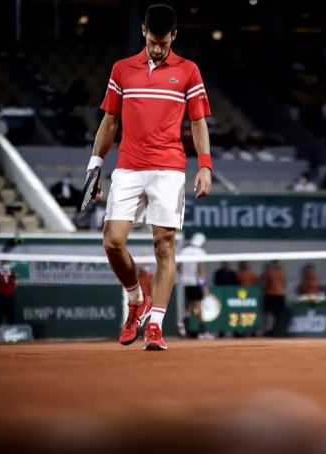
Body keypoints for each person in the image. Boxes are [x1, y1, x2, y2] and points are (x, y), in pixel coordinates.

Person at [86, 4, 212, 351]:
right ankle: (135, 299)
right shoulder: (122, 70)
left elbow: (198, 121)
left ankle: (154, 324)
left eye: (164, 41)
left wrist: (204, 164)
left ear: (174, 35)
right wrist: (95, 165)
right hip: (128, 166)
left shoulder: (188, 71)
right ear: (143, 31)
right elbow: (110, 121)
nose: (157, 48)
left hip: (169, 168)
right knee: (112, 242)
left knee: (164, 245)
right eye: (153, 41)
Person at [179, 232, 207, 338]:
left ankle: (183, 326)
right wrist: (204, 285)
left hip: (185, 283)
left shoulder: (184, 251)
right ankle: (202, 331)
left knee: (189, 307)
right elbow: (201, 269)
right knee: (198, 306)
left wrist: (185, 275)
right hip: (195, 282)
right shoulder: (201, 252)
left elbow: (179, 267)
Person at [0, 261, 17, 340]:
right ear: (2, 265)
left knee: (11, 318)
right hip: (1, 298)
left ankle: (13, 336)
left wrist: (10, 292)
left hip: (10, 298)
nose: (6, 266)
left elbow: (14, 286)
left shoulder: (13, 275)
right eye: (4, 264)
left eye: (7, 264)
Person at [262, 260, 286, 336]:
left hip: (277, 294)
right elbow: (265, 283)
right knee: (269, 314)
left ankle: (276, 330)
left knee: (277, 314)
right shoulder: (271, 272)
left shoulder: (281, 271)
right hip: (271, 294)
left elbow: (283, 282)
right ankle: (269, 330)